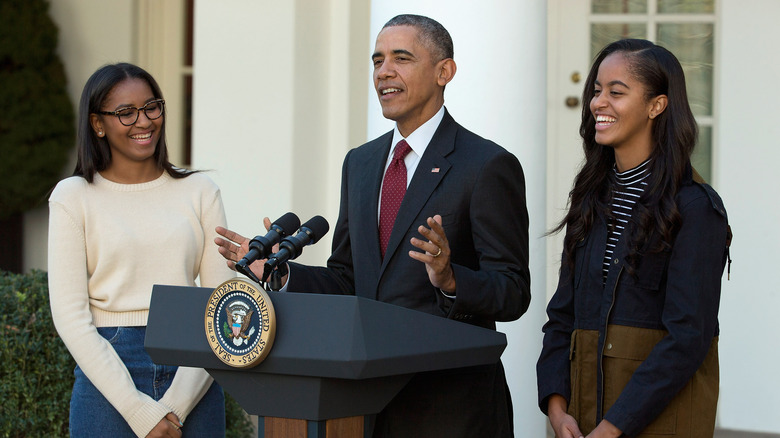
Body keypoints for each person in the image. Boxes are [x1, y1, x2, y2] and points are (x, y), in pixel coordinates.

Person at [215, 14, 530, 438]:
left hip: (452, 408)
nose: (384, 72)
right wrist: (278, 271)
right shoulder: (360, 163)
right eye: (377, 60)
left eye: (401, 58)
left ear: (444, 71)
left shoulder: (487, 165)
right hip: (364, 406)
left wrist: (450, 279)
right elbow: (350, 280)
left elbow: (512, 291)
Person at [536, 39, 730, 438]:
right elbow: (562, 317)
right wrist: (556, 409)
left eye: (616, 92)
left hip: (658, 423)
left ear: (656, 106)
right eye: (596, 91)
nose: (597, 103)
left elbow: (688, 338)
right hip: (582, 420)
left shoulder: (694, 208)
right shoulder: (591, 198)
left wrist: (612, 428)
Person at [47, 63, 234, 437]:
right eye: (125, 112)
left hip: (193, 365)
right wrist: (137, 411)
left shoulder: (200, 190)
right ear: (97, 124)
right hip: (108, 372)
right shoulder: (73, 196)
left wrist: (175, 408)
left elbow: (223, 306)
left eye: (152, 107)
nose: (144, 121)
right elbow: (70, 316)